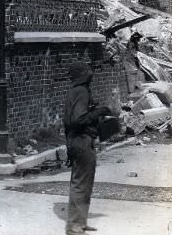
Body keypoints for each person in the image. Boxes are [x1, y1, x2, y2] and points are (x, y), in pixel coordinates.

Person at [63, 61, 112, 235]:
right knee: (80, 183)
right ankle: (74, 225)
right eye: (88, 72)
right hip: (81, 140)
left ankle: (80, 222)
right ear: (84, 75)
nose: (92, 74)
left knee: (85, 183)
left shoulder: (78, 90)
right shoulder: (81, 91)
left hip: (81, 141)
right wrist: (99, 112)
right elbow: (77, 120)